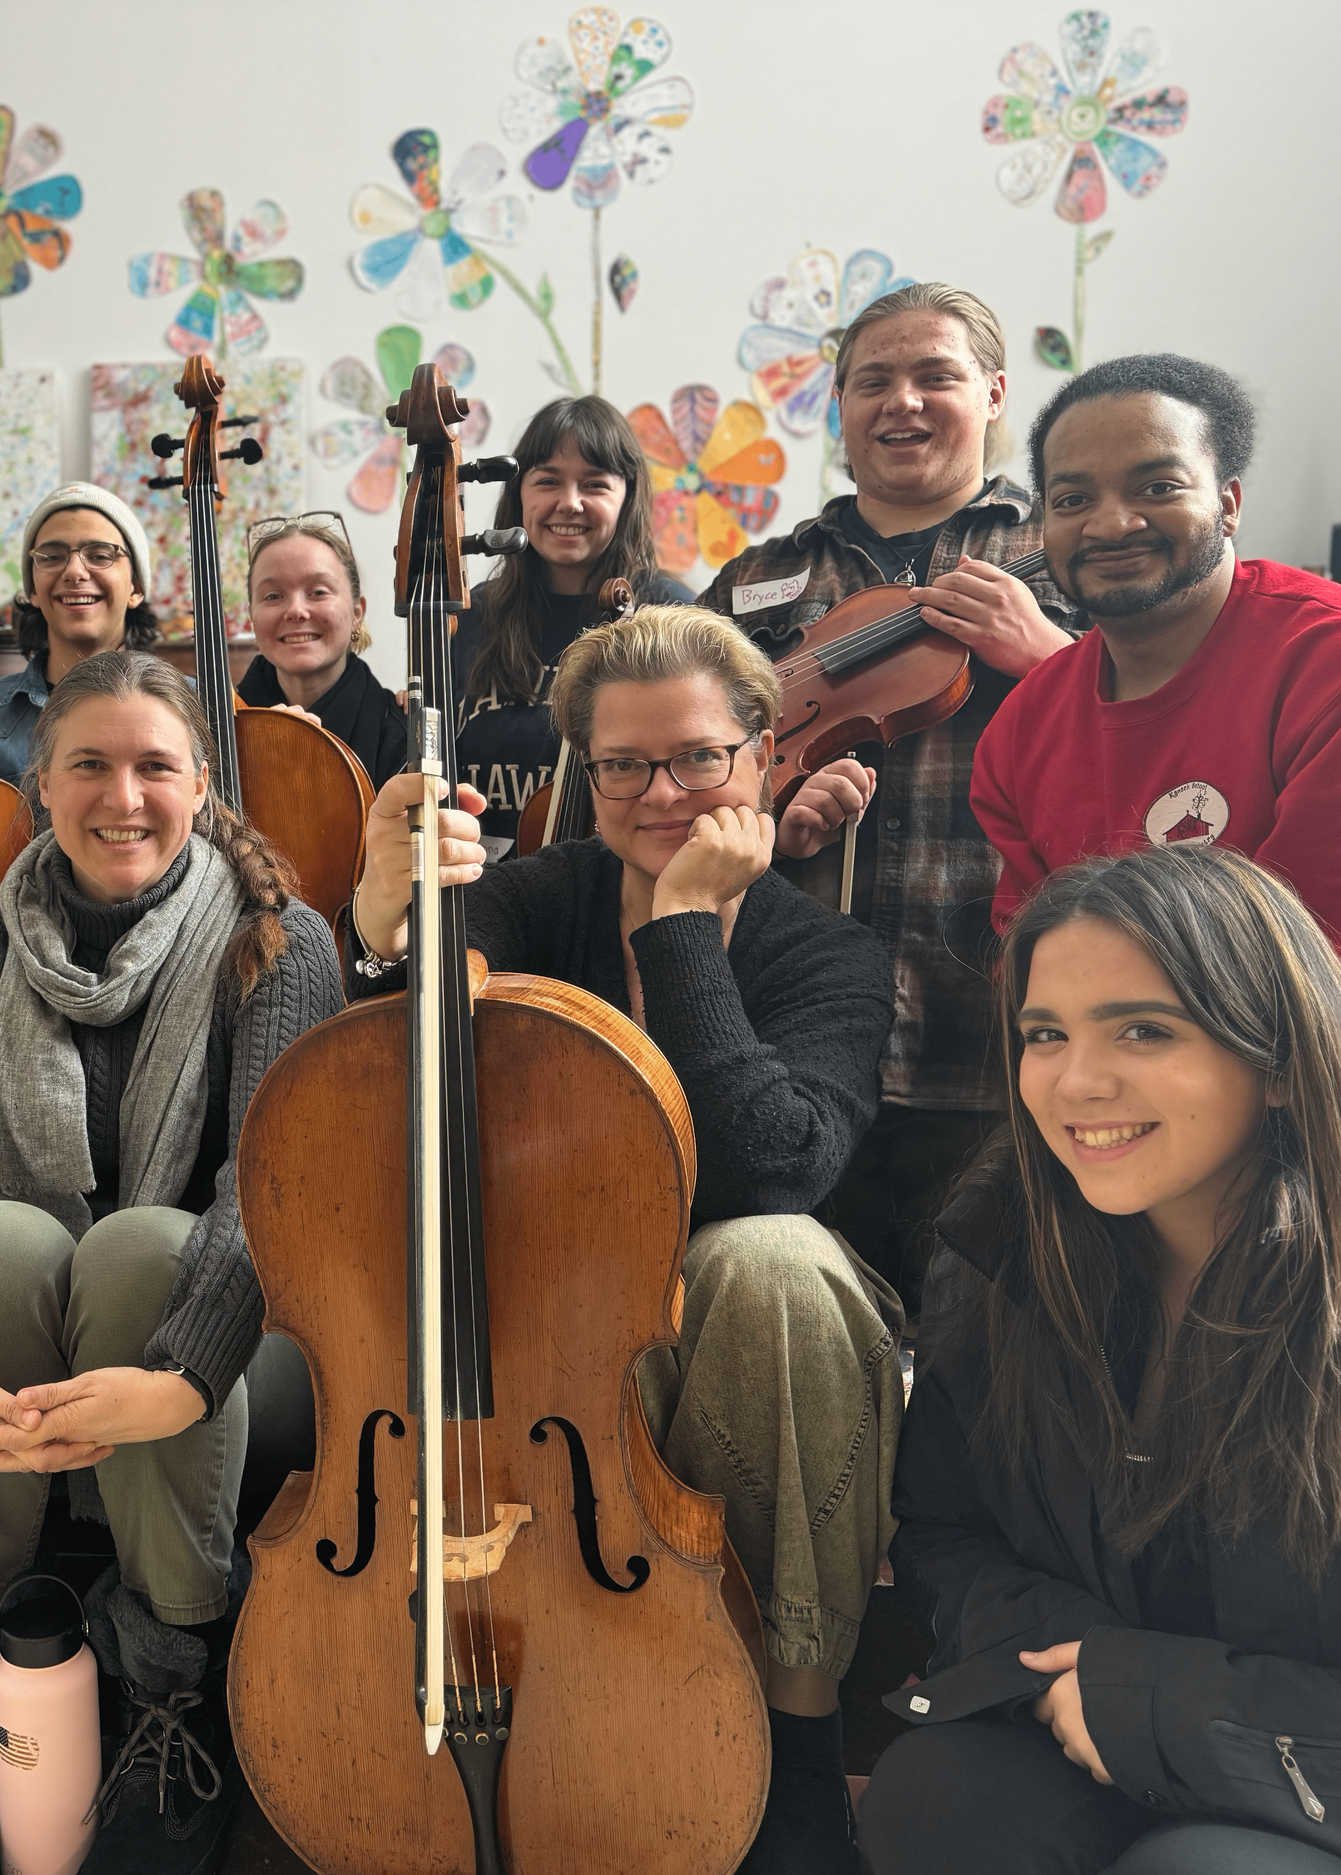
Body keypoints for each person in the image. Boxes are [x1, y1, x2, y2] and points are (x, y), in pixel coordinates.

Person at [347, 605, 901, 1874]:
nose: (662, 793)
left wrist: (682, 936)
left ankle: (799, 1730)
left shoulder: (829, 955)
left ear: (766, 754)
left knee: (771, 1262)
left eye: (699, 757)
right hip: (547, 1324)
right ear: (580, 775)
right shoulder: (537, 897)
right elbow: (401, 1062)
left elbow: (777, 1170)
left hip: (744, 1328)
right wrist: (389, 930)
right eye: (622, 765)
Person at [860, 843, 1341, 1875]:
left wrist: (1154, 1705)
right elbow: (951, 1531)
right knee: (942, 1798)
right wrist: (1071, 1675)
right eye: (1045, 1034)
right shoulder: (1005, 1259)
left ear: (1275, 1058)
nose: (1077, 1082)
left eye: (1142, 1029)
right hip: (1118, 1745)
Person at [0, 649, 342, 1875]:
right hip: (27, 1332)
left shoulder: (281, 942)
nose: (123, 796)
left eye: (155, 766)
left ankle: (176, 1692)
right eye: (90, 765)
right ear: (37, 779)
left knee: (140, 1246)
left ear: (202, 782)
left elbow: (268, 1188)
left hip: (243, 1343)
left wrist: (177, 1374)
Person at [972, 352, 1341, 1232]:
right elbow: (1039, 987)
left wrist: (1280, 1227)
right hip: (1167, 1173)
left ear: (1229, 501)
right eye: (1073, 499)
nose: (1112, 522)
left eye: (1157, 486)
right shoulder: (1024, 729)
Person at [698, 282, 1079, 1311]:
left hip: (998, 1028)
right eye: (873, 380)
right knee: (802, 1340)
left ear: (992, 393)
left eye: (934, 376)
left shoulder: (1060, 553)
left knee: (991, 1357)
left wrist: (1046, 654)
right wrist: (761, 823)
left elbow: (1163, 739)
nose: (901, 401)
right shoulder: (755, 581)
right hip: (794, 1039)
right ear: (839, 402)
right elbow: (677, 768)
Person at [449, 394, 696, 855]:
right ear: (518, 494)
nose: (569, 503)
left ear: (627, 497)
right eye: (547, 481)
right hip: (477, 885)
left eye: (595, 485)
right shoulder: (469, 617)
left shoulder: (671, 618)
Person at [0, 482, 160, 785]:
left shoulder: (191, 703)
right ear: (33, 591)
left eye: (99, 555)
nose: (74, 571)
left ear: (135, 587)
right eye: (52, 556)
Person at [234, 511, 406, 789]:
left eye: (318, 592)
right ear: (252, 619)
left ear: (356, 613)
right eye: (273, 596)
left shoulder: (402, 732)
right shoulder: (217, 728)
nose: (296, 611)